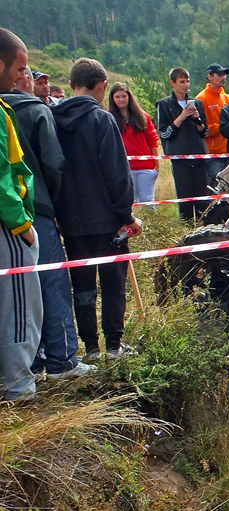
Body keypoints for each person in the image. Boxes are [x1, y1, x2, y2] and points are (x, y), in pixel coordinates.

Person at [5, 67, 94, 381]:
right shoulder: (36, 110)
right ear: (23, 78)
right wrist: (52, 202)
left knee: (14, 290)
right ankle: (61, 359)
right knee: (51, 282)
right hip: (35, 207)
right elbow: (53, 163)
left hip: (6, 213)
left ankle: (28, 362)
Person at [51, 57, 142, 362]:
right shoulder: (102, 120)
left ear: (71, 84)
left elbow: (51, 170)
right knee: (113, 283)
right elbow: (117, 174)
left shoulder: (52, 119)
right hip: (107, 221)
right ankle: (114, 347)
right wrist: (127, 215)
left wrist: (58, 214)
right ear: (102, 85)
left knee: (82, 286)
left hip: (70, 221)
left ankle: (90, 348)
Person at [0, 28, 42, 400]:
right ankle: (17, 386)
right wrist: (22, 225)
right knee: (17, 305)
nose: (21, 76)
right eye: (18, 68)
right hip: (8, 226)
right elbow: (3, 177)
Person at [156, 66, 209, 222]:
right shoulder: (164, 104)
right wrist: (181, 117)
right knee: (185, 200)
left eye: (187, 81)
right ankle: (187, 229)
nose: (186, 85)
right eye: (182, 81)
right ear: (172, 83)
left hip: (199, 156)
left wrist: (197, 119)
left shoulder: (197, 103)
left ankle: (202, 227)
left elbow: (204, 133)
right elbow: (165, 133)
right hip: (180, 159)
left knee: (202, 199)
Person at [108, 83, 159, 204]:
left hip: (146, 167)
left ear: (129, 97)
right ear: (112, 99)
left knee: (147, 203)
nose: (121, 99)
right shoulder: (108, 117)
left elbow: (152, 140)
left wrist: (156, 166)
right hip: (123, 168)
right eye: (117, 97)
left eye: (124, 96)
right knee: (129, 203)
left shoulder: (142, 115)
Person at [196, 63, 229, 187]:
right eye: (219, 75)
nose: (223, 78)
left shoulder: (225, 97)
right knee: (213, 186)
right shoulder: (201, 98)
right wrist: (222, 127)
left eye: (224, 75)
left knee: (227, 187)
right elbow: (200, 129)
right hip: (212, 153)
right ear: (209, 76)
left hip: (227, 151)